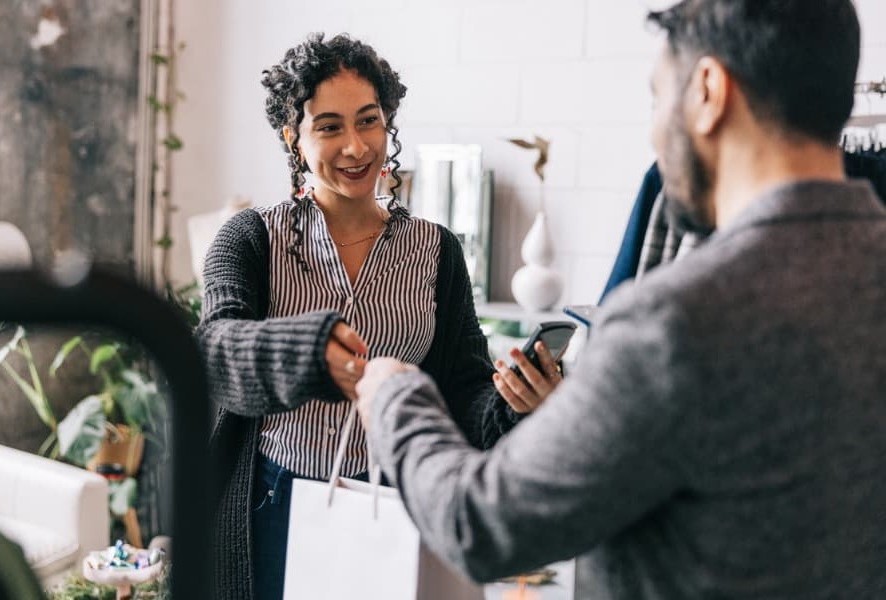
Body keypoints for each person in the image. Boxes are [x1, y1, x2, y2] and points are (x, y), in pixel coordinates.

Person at [356, 0, 886, 597]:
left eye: (658, 97)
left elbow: (478, 525)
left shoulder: (673, 323)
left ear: (708, 90)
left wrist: (396, 398)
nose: (656, 128)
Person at [196, 33, 560, 600]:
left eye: (369, 120)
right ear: (293, 136)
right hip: (274, 500)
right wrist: (310, 353)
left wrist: (514, 404)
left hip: (395, 501)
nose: (356, 146)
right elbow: (215, 352)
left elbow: (462, 392)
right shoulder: (250, 239)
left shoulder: (435, 250)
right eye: (329, 126)